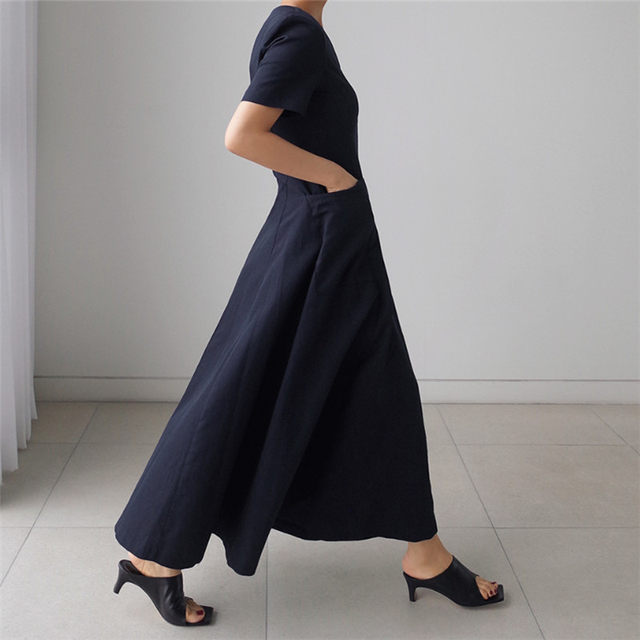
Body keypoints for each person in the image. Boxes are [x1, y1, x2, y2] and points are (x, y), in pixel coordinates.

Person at [112, 0, 504, 627]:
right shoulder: (298, 35)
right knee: (253, 386)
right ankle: (152, 554)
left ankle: (424, 552)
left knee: (357, 388)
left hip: (320, 233)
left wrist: (331, 190)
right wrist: (334, 180)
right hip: (323, 238)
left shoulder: (294, 28)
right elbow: (242, 134)